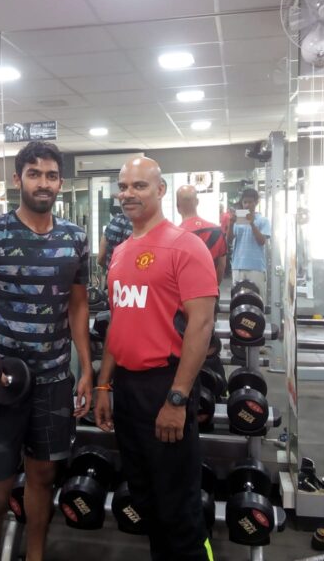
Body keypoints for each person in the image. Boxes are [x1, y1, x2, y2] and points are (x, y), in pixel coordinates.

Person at [0, 140, 93, 561]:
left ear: (61, 183)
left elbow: (78, 305)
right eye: (34, 174)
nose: (43, 183)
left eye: (51, 175)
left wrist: (86, 367)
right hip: (0, 385)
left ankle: (35, 556)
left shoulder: (75, 238)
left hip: (53, 381)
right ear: (18, 179)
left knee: (43, 478)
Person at [94, 156, 217, 561]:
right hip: (128, 388)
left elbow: (201, 324)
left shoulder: (186, 246)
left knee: (178, 507)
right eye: (123, 186)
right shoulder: (120, 252)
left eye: (139, 185)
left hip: (166, 384)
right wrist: (104, 384)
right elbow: (119, 322)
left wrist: (177, 398)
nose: (128, 194)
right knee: (145, 498)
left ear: (161, 190)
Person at [176, 185, 227, 284]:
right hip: (211, 288)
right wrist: (214, 286)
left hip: (186, 290)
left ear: (178, 206)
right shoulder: (217, 231)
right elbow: (222, 266)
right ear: (197, 202)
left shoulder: (175, 236)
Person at [228, 188, 271, 297]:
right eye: (245, 202)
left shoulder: (263, 220)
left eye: (250, 202)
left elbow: (262, 241)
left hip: (256, 267)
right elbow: (229, 240)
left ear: (256, 203)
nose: (247, 205)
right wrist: (231, 223)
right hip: (238, 266)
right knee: (238, 299)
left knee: (257, 299)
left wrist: (252, 224)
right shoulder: (238, 221)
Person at [96, 207, 132, 273]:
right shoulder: (144, 224)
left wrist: (111, 268)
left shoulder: (114, 221)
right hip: (134, 276)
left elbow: (100, 258)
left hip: (112, 275)